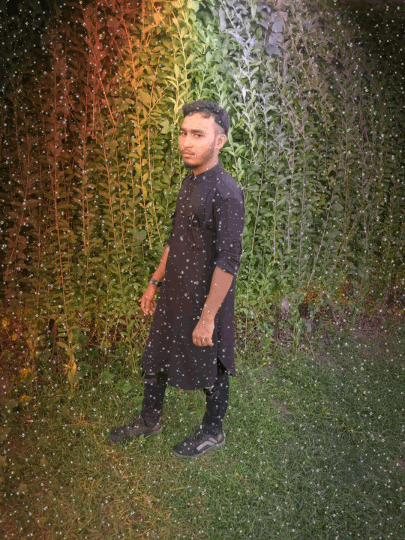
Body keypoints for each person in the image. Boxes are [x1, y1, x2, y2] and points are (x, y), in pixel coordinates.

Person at [110, 100, 245, 458]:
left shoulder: (226, 193)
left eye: (198, 135)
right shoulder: (191, 181)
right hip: (174, 291)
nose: (186, 142)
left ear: (220, 141)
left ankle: (213, 431)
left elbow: (228, 261)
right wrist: (155, 282)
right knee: (156, 355)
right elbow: (177, 237)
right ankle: (149, 419)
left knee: (212, 366)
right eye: (183, 133)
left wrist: (208, 317)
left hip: (206, 298)